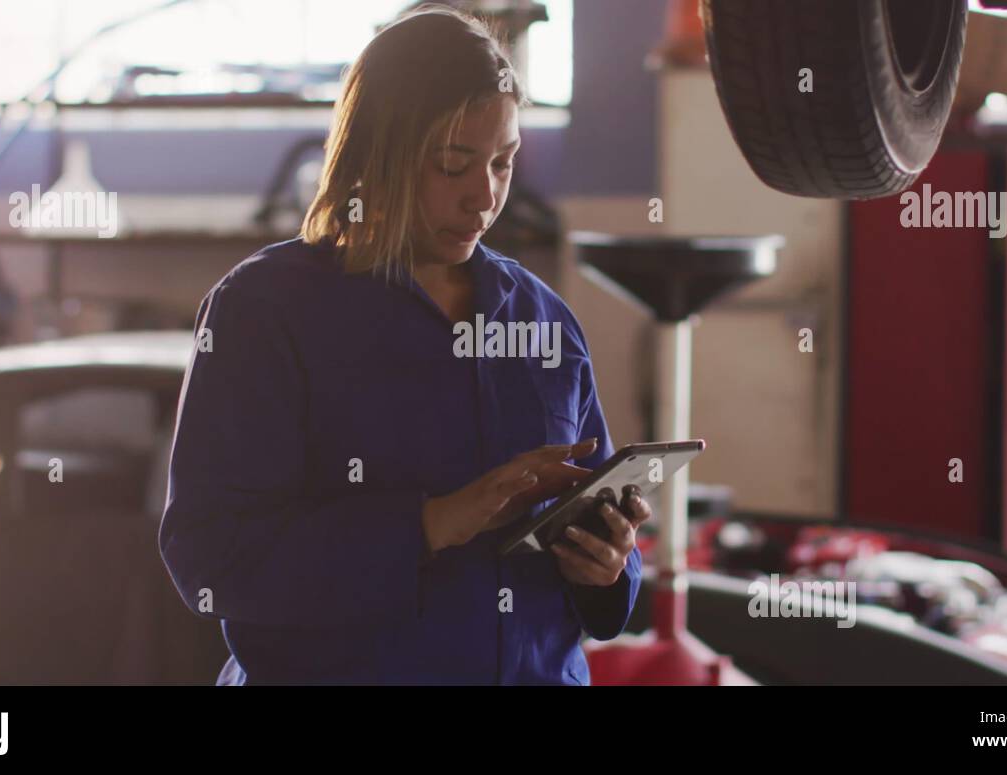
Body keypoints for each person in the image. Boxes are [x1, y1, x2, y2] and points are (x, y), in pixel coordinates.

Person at [159, 5, 650, 685]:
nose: (484, 196)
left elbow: (598, 563)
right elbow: (209, 557)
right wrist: (429, 524)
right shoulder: (263, 312)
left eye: (503, 163)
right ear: (378, 152)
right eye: (453, 164)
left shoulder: (543, 320)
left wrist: (609, 563)